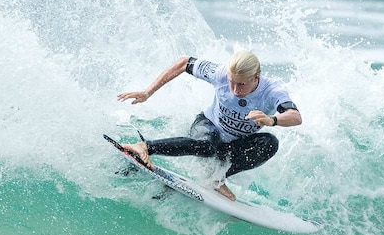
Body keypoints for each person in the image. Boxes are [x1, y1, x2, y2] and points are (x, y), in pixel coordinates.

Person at [117, 51, 302, 201]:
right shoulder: (220, 73)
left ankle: (217, 180)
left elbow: (295, 116)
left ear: (256, 77)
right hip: (207, 126)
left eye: (242, 84)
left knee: (270, 143)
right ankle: (144, 147)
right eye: (232, 82)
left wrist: (273, 120)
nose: (236, 90)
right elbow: (184, 62)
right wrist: (147, 92)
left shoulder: (271, 91)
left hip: (233, 145)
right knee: (208, 146)